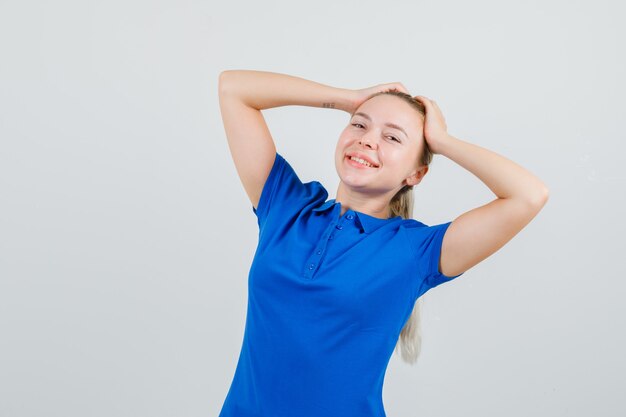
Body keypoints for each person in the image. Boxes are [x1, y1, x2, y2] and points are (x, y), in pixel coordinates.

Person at [216, 70, 549, 417]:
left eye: (392, 137)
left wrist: (443, 141)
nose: (368, 140)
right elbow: (234, 89)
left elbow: (528, 195)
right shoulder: (285, 207)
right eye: (359, 125)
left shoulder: (415, 252)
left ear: (415, 174)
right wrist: (349, 98)